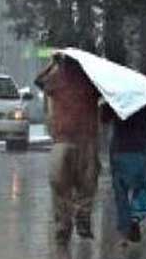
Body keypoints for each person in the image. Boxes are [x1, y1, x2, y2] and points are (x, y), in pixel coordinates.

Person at [34, 53, 101, 245]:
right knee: (87, 185)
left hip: (65, 141)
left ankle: (65, 226)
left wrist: (52, 64)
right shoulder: (91, 81)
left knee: (60, 186)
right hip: (85, 141)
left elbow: (38, 80)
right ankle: (80, 220)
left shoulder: (57, 79)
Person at [102, 100, 146, 243]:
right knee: (143, 187)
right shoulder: (145, 98)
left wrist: (107, 104)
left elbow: (103, 118)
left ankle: (124, 231)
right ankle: (135, 217)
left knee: (120, 192)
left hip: (118, 151)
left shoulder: (116, 98)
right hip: (137, 149)